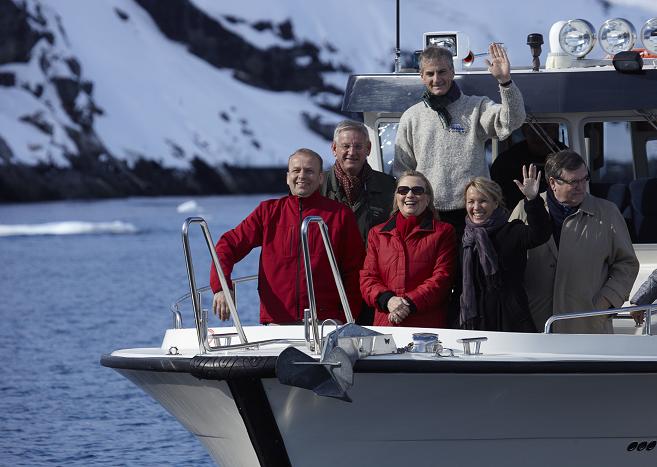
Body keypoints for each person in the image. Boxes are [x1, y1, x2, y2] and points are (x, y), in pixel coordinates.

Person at [210, 148, 364, 325]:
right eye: (296, 170)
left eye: (309, 171)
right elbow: (227, 245)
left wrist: (345, 319)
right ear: (287, 176)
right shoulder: (267, 212)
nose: (302, 176)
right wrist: (221, 287)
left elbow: (355, 272)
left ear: (321, 178)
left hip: (327, 323)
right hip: (276, 323)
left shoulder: (340, 215)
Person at [394, 43, 526, 236]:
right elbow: (402, 170)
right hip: (428, 215)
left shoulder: (476, 107)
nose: (436, 79)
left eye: (442, 72)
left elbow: (513, 119)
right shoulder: (411, 117)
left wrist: (505, 82)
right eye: (430, 74)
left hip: (473, 214)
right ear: (422, 76)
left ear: (452, 72)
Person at [510, 150, 639, 333]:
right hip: (534, 326)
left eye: (584, 179)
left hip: (588, 326)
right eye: (574, 182)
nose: (581, 187)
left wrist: (606, 303)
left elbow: (627, 264)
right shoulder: (524, 210)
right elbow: (507, 260)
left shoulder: (608, 213)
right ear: (553, 183)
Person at [360, 171, 456, 327]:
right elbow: (368, 278)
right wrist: (388, 300)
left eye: (417, 191)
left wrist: (407, 304)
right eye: (403, 190)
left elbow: (442, 278)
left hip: (426, 327)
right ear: (396, 197)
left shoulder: (443, 232)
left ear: (428, 199)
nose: (410, 195)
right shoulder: (377, 234)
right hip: (387, 324)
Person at [460, 166, 551, 332]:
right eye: (471, 201)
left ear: (495, 203)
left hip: (509, 320)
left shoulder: (511, 231)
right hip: (475, 321)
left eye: (483, 201)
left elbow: (541, 234)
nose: (476, 207)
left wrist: (532, 200)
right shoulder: (465, 238)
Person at [321, 120, 396, 243]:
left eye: (358, 146)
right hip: (330, 261)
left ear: (368, 148)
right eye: (346, 146)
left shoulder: (389, 186)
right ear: (334, 148)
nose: (352, 152)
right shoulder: (318, 185)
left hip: (373, 261)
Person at [490, 123, 566, 209]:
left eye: (546, 128)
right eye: (534, 128)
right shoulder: (506, 161)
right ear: (524, 130)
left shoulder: (569, 159)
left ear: (556, 129)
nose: (539, 134)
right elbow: (496, 198)